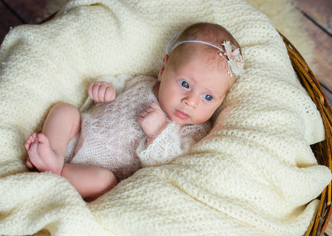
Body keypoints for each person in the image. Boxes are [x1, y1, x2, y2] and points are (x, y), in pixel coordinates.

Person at [25, 22, 245, 201]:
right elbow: (118, 86)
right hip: (76, 136)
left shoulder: (195, 130)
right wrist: (105, 90)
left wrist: (158, 133)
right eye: (185, 84)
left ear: (220, 101)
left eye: (208, 97)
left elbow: (173, 164)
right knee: (65, 111)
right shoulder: (143, 82)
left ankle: (53, 171)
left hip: (92, 174)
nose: (190, 102)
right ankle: (52, 152)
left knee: (104, 183)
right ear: (163, 69)